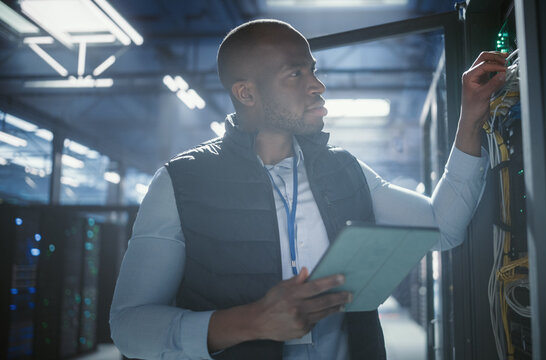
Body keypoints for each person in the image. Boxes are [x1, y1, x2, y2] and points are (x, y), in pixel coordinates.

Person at [110, 19, 507, 360]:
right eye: (295, 74)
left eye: (313, 71)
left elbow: (443, 225)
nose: (317, 85)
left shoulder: (346, 170)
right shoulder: (181, 182)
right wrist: (251, 321)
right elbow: (130, 327)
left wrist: (471, 116)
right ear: (247, 93)